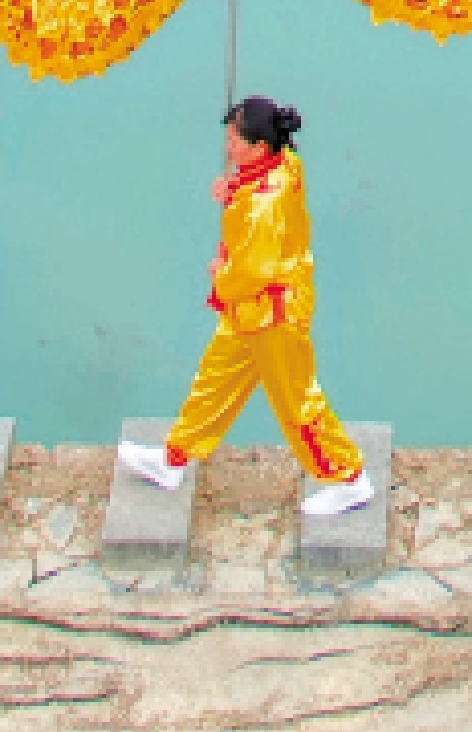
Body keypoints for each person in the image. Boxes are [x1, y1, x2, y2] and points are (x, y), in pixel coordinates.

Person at [118, 97, 373, 518]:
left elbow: (255, 270)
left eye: (235, 140)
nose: (228, 146)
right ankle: (173, 459)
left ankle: (348, 479)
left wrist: (221, 273)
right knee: (213, 381)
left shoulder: (264, 203)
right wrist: (234, 187)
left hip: (272, 313)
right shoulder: (285, 164)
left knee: (296, 402)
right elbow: (255, 200)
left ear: (258, 147)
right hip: (252, 311)